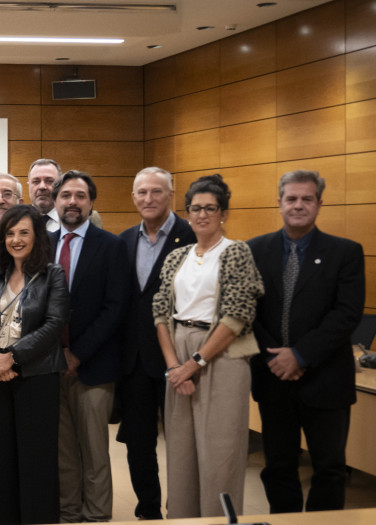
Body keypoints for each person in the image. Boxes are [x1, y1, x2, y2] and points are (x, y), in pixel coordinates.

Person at [248, 170, 365, 513]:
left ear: (319, 204)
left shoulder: (345, 252)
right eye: (291, 199)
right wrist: (276, 358)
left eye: (307, 199)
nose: (299, 205)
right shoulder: (255, 250)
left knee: (329, 469)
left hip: (326, 380)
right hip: (273, 379)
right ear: (280, 202)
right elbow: (246, 312)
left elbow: (346, 315)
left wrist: (299, 356)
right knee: (278, 468)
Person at [152, 174, 263, 518]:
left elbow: (237, 315)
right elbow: (159, 312)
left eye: (210, 208)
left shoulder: (237, 252)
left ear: (223, 213)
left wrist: (194, 363)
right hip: (178, 351)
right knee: (181, 454)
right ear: (186, 213)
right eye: (195, 208)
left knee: (220, 454)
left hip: (222, 354)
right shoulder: (176, 256)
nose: (202, 215)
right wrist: (174, 367)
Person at [0, 204, 69, 525]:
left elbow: (53, 325)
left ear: (37, 236)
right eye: (10, 233)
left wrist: (13, 356)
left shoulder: (53, 274)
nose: (16, 239)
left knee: (35, 459)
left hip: (37, 376)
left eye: (24, 232)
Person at [48, 171, 128, 523]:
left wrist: (78, 353)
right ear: (55, 201)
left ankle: (96, 516)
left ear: (91, 202)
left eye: (80, 196)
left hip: (93, 366)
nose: (72, 202)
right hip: (50, 364)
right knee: (63, 450)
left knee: (94, 450)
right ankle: (68, 511)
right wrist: (56, 353)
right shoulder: (42, 243)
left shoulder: (111, 245)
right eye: (66, 195)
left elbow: (116, 308)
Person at [116, 167, 193, 520]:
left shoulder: (191, 235)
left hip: (181, 358)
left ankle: (185, 508)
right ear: (133, 198)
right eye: (142, 192)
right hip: (134, 363)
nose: (149, 199)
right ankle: (148, 508)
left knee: (183, 443)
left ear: (171, 195)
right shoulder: (125, 239)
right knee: (139, 443)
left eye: (157, 192)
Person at [26, 159, 61, 233]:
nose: (42, 187)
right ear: (29, 186)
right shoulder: (17, 221)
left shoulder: (73, 221)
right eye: (36, 181)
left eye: (49, 181)